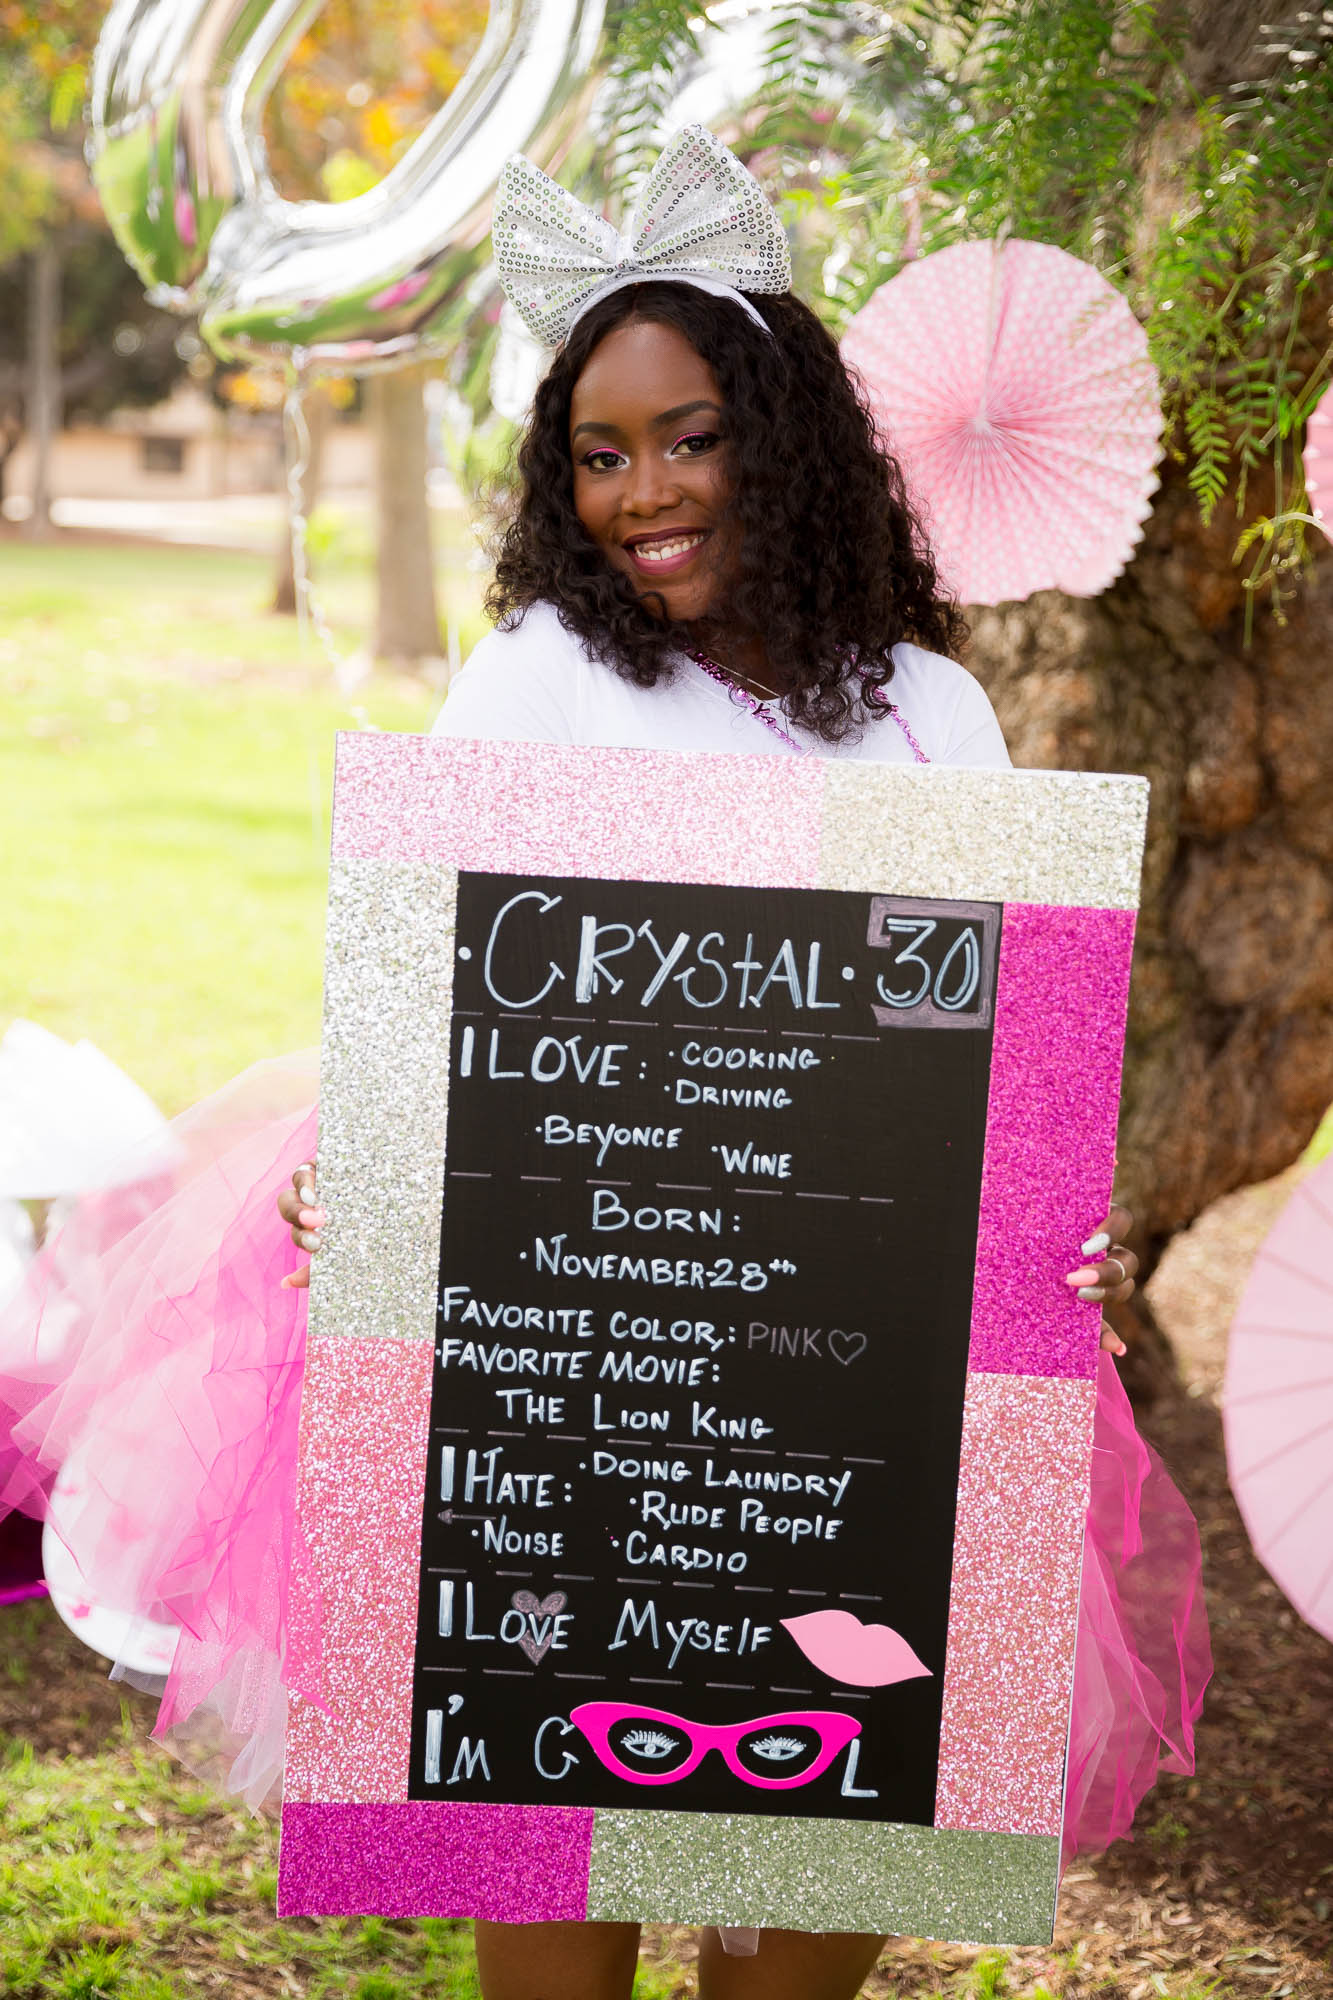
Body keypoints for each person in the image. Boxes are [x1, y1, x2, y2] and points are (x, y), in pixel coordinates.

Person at [273, 129, 1208, 2000]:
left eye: (687, 436)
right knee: (545, 1811)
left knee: (816, 1860)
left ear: (778, 432)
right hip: (569, 1386)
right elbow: (432, 1001)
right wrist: (358, 1148)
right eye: (598, 455)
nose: (642, 495)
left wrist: (1054, 1232)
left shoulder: (931, 713)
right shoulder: (542, 678)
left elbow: (999, 1059)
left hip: (849, 1404)